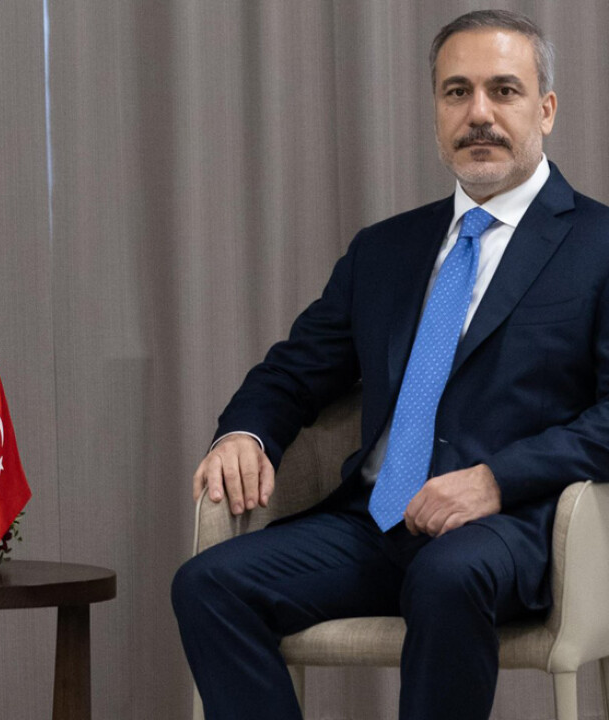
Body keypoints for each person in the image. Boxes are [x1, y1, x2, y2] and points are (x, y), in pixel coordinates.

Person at [172, 10, 609, 720]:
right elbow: (294, 371)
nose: (479, 113)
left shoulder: (598, 244)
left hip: (518, 526)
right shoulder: (384, 250)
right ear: (435, 111)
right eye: (457, 92)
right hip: (373, 524)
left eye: (504, 90)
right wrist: (244, 434)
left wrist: (496, 480)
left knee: (447, 575)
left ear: (546, 109)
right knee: (208, 584)